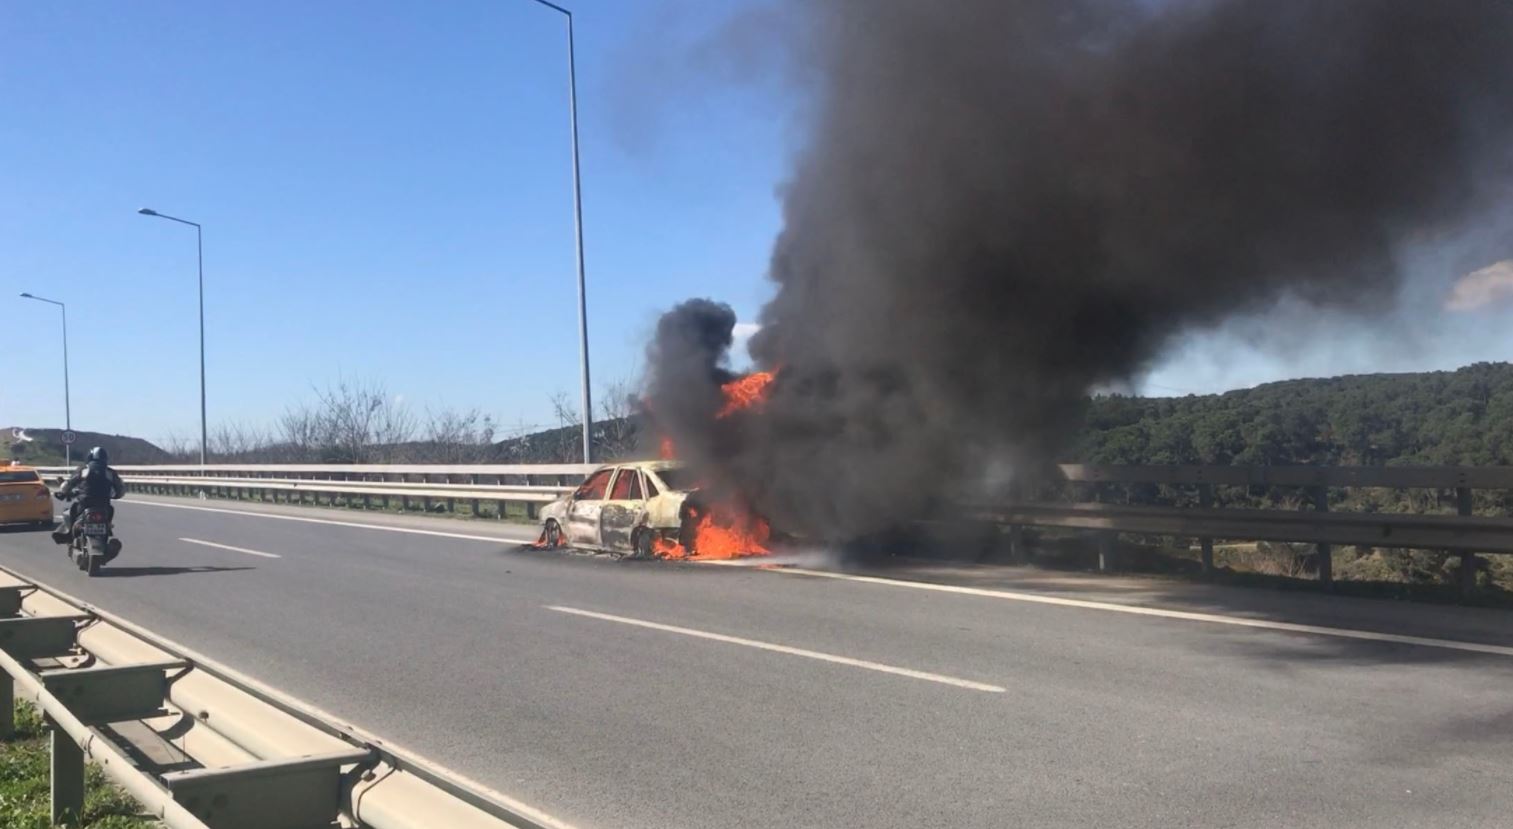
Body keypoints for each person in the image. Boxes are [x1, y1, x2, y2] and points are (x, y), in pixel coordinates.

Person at [52, 446, 126, 545]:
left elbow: (67, 485)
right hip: (104, 506)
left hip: (84, 504)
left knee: (71, 511)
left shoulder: (83, 470)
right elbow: (120, 490)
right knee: (111, 510)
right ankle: (107, 529)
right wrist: (116, 495)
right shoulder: (110, 472)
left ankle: (70, 536)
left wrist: (64, 491)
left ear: (89, 457)